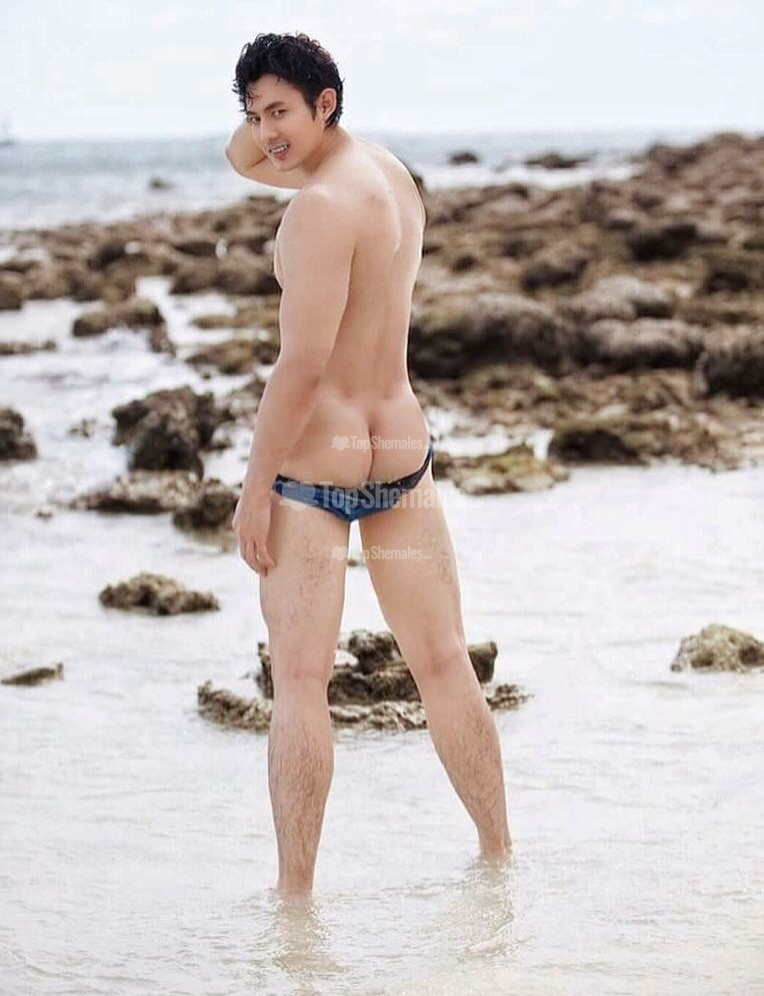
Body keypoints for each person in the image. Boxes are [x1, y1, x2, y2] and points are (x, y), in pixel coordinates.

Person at [226, 31, 511, 897]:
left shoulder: (318, 208)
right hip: (399, 453)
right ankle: (500, 861)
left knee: (300, 681)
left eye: (281, 111)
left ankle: (294, 903)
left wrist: (254, 489)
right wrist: (273, 115)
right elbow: (248, 157)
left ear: (328, 103)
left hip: (318, 470)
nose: (265, 133)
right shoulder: (386, 177)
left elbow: (302, 366)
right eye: (254, 113)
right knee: (443, 661)